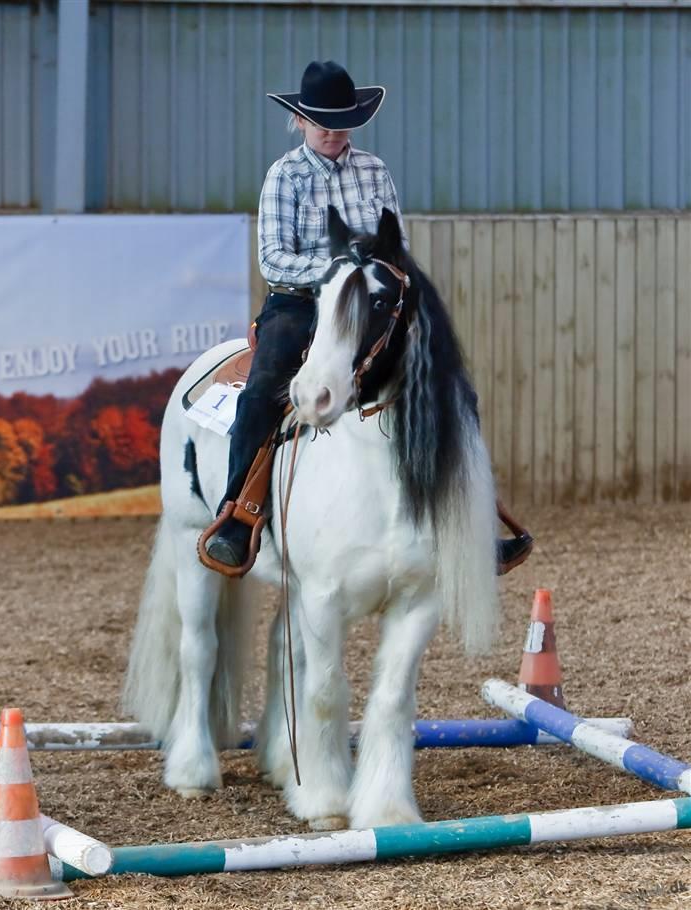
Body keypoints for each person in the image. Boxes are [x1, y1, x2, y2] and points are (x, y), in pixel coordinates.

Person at [205, 60, 532, 573]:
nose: (333, 134)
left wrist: (374, 278)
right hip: (300, 300)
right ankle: (237, 515)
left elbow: (395, 245)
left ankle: (468, 516)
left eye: (341, 125)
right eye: (322, 125)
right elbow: (272, 258)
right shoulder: (284, 175)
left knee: (449, 385)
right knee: (264, 384)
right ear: (300, 121)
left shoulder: (374, 170)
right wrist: (340, 271)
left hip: (373, 303)